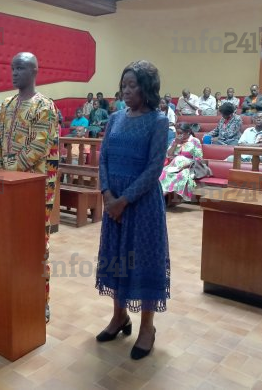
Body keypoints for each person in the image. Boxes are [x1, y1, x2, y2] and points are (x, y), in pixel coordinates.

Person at [96, 60, 169, 361]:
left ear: (147, 88)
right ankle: (119, 316)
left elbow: (154, 168)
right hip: (113, 203)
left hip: (141, 205)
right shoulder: (114, 118)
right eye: (123, 85)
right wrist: (106, 194)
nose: (126, 90)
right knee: (116, 259)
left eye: (133, 85)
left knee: (143, 262)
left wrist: (123, 200)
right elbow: (103, 158)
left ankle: (147, 327)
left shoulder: (158, 121)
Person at [0, 52, 59, 323]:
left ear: (34, 71)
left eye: (20, 68)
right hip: (4, 185)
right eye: (12, 68)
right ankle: (11, 295)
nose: (14, 73)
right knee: (7, 241)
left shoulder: (45, 106)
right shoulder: (6, 104)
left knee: (35, 245)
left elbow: (38, 147)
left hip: (34, 188)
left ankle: (41, 300)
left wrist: (7, 172)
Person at [160, 123, 203, 202]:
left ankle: (162, 196)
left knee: (180, 175)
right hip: (174, 165)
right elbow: (169, 155)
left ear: (188, 132)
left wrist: (186, 166)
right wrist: (175, 144)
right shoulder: (175, 140)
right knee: (163, 172)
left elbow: (198, 158)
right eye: (178, 133)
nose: (179, 135)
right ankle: (162, 196)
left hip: (189, 166)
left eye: (181, 133)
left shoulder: (195, 141)